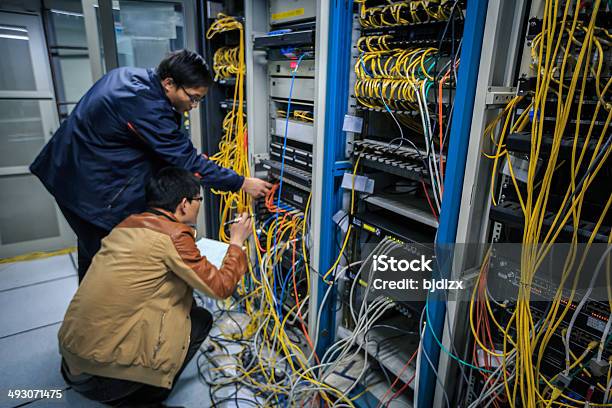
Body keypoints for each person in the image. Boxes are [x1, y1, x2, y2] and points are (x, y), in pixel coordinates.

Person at [30, 49, 270, 281]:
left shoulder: (132, 77)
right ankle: (113, 317)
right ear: (168, 83)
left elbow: (144, 144)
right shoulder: (144, 103)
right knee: (112, 263)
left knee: (92, 252)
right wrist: (242, 182)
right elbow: (183, 157)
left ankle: (91, 310)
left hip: (73, 173)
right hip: (90, 191)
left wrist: (186, 161)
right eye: (193, 97)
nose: (194, 105)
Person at [58, 167, 252, 407]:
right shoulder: (173, 236)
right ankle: (146, 397)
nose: (199, 206)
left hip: (72, 364)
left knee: (178, 298)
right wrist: (236, 242)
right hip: (108, 383)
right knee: (200, 318)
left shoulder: (127, 225)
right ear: (184, 204)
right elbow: (221, 287)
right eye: (199, 200)